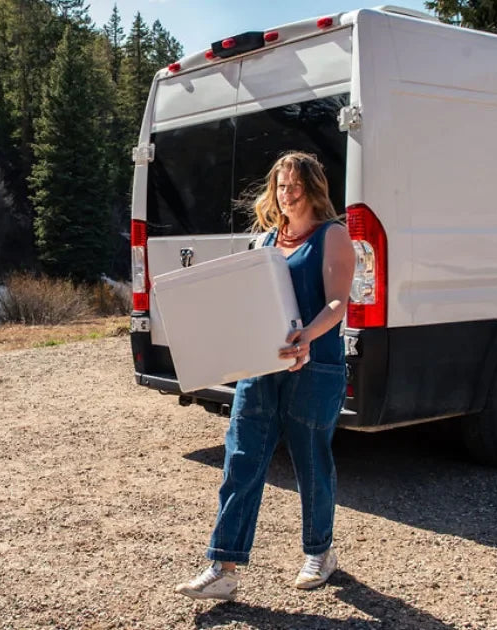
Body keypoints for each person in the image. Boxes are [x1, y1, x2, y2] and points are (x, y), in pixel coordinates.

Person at [175, 151, 356, 600]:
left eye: (294, 186)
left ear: (313, 189)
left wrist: (306, 336)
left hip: (315, 366)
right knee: (241, 458)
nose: (285, 194)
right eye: (279, 186)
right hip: (261, 366)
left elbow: (338, 303)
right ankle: (224, 567)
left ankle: (320, 551)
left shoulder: (332, 237)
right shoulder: (263, 243)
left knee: (311, 461)